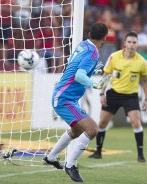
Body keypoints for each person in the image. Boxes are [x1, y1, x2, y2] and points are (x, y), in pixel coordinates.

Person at [43, 23, 108, 182]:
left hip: (64, 96)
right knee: (92, 129)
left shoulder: (84, 45)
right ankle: (70, 165)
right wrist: (94, 83)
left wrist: (97, 69)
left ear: (90, 33)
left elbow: (76, 64)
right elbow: (79, 75)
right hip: (65, 98)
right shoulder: (92, 53)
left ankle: (51, 157)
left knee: (77, 130)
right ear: (104, 38)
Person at [88, 31, 147, 163]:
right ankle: (98, 152)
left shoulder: (141, 61)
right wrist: (101, 93)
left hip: (131, 96)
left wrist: (146, 99)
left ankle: (141, 154)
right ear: (124, 43)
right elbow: (106, 75)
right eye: (129, 42)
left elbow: (146, 81)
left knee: (136, 122)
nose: (132, 45)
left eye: (134, 42)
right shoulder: (114, 57)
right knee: (102, 123)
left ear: (137, 44)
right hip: (114, 94)